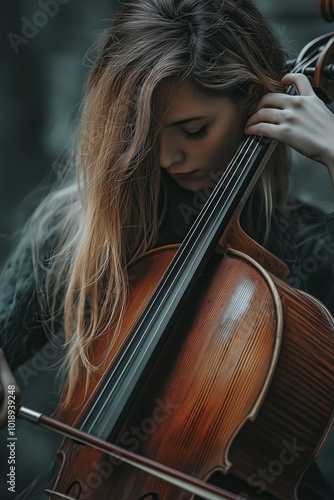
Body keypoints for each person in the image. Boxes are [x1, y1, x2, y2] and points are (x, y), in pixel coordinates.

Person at [0, 0, 333, 498]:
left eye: (194, 130)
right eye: (143, 135)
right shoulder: (81, 228)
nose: (166, 157)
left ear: (254, 105)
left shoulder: (312, 245)